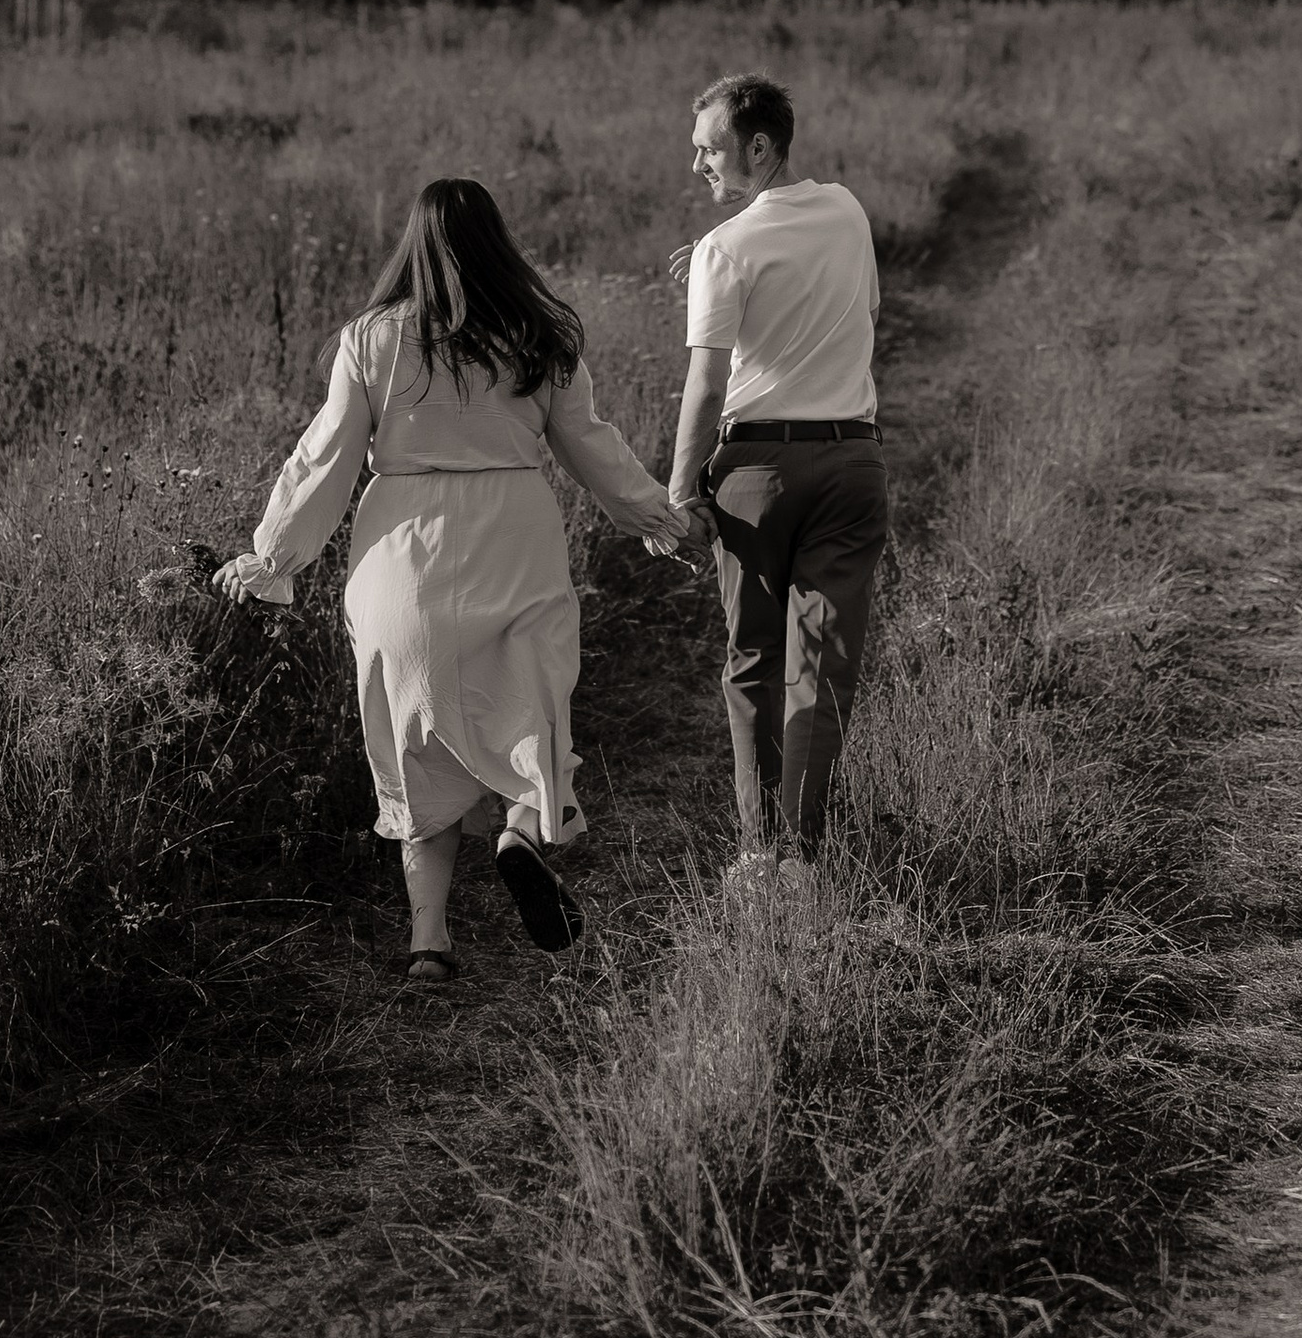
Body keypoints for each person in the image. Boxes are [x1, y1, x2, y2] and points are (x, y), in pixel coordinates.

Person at [219, 178, 701, 989]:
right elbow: (591, 444)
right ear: (498, 243)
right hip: (514, 538)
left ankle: (429, 946)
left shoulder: (372, 339)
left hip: (399, 555)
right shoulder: (539, 333)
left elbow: (324, 459)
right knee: (530, 709)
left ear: (414, 244)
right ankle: (519, 827)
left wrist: (270, 558)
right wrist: (656, 514)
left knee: (414, 744)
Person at [665, 72, 887, 868]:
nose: (699, 166)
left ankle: (759, 856)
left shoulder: (724, 251)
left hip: (756, 472)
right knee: (822, 669)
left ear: (758, 146)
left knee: (755, 662)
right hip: (852, 463)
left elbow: (708, 384)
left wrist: (680, 489)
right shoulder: (848, 210)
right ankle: (802, 855)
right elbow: (859, 311)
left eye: (711, 148)